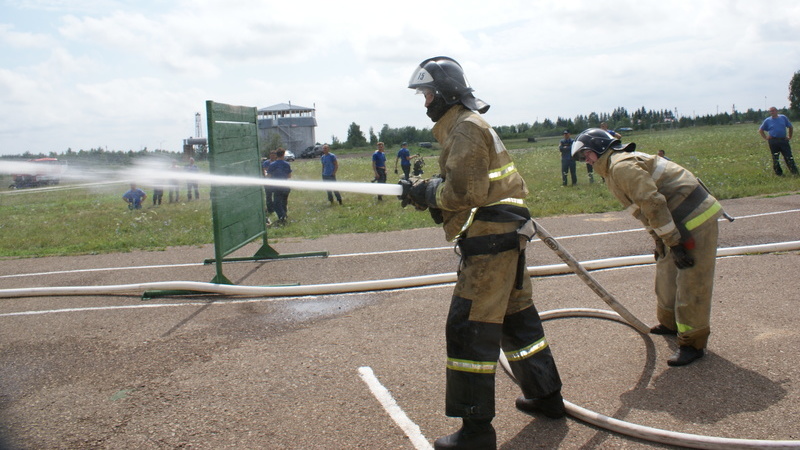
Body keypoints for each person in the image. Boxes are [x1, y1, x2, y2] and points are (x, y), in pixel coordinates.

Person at [401, 56, 564, 450]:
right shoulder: (466, 127)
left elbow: (466, 194)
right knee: (517, 319)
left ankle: (475, 432)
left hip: (491, 242)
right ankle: (547, 398)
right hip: (506, 236)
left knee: (469, 328)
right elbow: (469, 183)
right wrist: (432, 188)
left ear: (442, 94)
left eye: (425, 95)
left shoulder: (465, 130)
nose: (424, 103)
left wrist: (424, 193)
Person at [571, 128, 725, 367]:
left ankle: (693, 343)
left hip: (695, 219)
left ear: (600, 148)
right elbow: (643, 211)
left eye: (586, 155)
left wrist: (674, 243)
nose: (586, 161)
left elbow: (653, 203)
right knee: (666, 272)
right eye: (583, 158)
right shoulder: (612, 170)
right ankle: (670, 323)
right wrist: (660, 240)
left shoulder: (621, 167)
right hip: (674, 222)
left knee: (692, 281)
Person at [758, 107, 798, 176]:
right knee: (775, 157)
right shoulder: (767, 120)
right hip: (773, 141)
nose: (772, 112)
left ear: (777, 111)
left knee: (788, 156)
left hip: (783, 140)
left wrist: (789, 136)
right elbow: (761, 130)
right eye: (770, 111)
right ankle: (779, 173)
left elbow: (790, 127)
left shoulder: (783, 118)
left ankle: (794, 172)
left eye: (773, 111)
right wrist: (766, 137)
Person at [268, 148, 292, 226]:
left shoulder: (272, 165)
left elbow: (269, 176)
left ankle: (282, 218)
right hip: (285, 186)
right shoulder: (287, 164)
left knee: (276, 204)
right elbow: (289, 176)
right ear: (283, 154)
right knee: (284, 203)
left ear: (276, 155)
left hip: (277, 187)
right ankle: (284, 217)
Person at [262, 150, 278, 223]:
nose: (272, 156)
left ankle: (275, 207)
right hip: (268, 181)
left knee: (276, 195)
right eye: (271, 155)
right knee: (268, 195)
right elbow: (265, 171)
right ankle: (270, 208)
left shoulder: (277, 163)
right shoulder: (266, 163)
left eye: (274, 155)